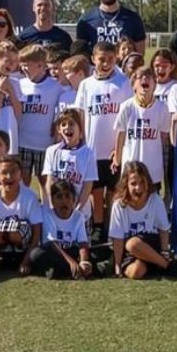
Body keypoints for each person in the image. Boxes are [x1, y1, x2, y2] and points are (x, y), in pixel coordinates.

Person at [73, 41, 132, 237]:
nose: (105, 63)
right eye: (101, 59)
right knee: (95, 191)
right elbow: (81, 114)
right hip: (92, 148)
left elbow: (127, 117)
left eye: (110, 59)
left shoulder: (123, 83)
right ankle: (98, 227)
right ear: (93, 59)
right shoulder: (86, 85)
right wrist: (81, 141)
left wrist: (120, 148)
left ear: (116, 59)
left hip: (114, 148)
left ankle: (111, 226)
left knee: (114, 191)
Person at [110, 162, 177, 279]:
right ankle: (162, 266)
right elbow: (118, 239)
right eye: (133, 184)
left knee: (132, 243)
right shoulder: (119, 206)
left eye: (141, 182)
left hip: (151, 244)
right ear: (126, 185)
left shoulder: (155, 200)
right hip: (129, 252)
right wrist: (117, 265)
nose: (138, 188)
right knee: (136, 272)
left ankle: (166, 265)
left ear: (147, 182)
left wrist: (165, 253)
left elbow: (164, 229)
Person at [0, 156, 42, 275]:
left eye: (13, 171)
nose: (9, 176)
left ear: (20, 174)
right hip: (0, 249)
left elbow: (37, 233)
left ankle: (21, 259)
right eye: (4, 172)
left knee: (19, 228)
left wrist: (26, 262)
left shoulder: (30, 197)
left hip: (23, 249)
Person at [113, 67, 171, 194]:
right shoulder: (126, 107)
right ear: (133, 85)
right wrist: (117, 159)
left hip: (152, 167)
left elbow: (164, 137)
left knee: (151, 201)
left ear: (154, 84)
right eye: (140, 77)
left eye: (149, 77)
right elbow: (120, 134)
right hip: (131, 164)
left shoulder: (162, 108)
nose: (145, 79)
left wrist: (164, 163)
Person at [14, 45, 61, 186]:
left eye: (27, 65)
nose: (23, 69)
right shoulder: (19, 85)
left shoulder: (56, 87)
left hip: (45, 145)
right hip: (23, 143)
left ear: (41, 65)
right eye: (22, 65)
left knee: (47, 185)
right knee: (23, 184)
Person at [31, 179, 95, 280]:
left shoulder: (79, 217)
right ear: (52, 200)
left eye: (67, 196)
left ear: (74, 200)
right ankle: (72, 270)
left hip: (70, 251)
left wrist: (83, 261)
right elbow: (51, 243)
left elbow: (83, 243)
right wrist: (71, 262)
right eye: (59, 197)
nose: (64, 201)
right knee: (36, 254)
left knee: (94, 254)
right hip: (55, 252)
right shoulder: (48, 215)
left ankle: (76, 269)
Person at [76, 0, 147, 51]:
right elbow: (81, 51)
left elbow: (139, 54)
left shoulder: (133, 19)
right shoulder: (86, 20)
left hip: (123, 63)